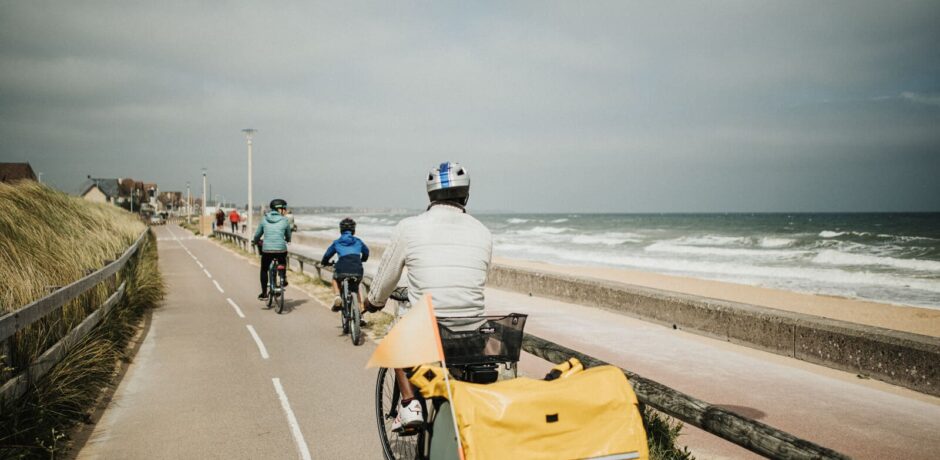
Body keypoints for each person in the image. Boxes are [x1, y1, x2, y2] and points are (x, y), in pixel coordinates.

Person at [364, 161, 492, 434]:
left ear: (430, 195)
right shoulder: (482, 231)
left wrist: (373, 301)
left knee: (395, 338)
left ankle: (410, 405)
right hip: (471, 331)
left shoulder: (409, 228)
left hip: (429, 331)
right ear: (466, 196)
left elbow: (387, 276)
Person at [320, 218, 370, 320]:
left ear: (341, 230)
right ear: (354, 230)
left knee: (335, 278)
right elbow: (366, 251)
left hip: (342, 268)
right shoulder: (358, 241)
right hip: (357, 269)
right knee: (356, 288)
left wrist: (324, 262)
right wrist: (363, 259)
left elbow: (327, 255)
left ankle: (337, 296)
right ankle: (360, 315)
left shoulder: (337, 242)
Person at [252, 199, 292, 300]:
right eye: (284, 208)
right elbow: (288, 234)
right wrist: (288, 240)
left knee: (264, 269)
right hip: (281, 249)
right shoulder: (285, 220)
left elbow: (257, 234)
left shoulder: (264, 219)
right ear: (279, 209)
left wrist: (255, 241)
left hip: (267, 250)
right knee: (282, 261)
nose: (285, 210)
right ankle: (283, 277)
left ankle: (264, 293)